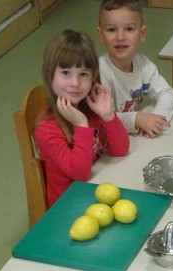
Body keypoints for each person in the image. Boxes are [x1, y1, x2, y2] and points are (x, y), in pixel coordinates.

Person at [34, 30, 130, 208]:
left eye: (83, 74)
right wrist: (81, 126)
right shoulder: (46, 130)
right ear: (49, 74)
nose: (75, 83)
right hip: (68, 206)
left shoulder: (91, 108)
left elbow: (121, 149)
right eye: (65, 72)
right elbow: (81, 174)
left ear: (93, 77)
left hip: (96, 192)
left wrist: (108, 115)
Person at [97, 0, 173, 138]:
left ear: (142, 33)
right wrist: (137, 120)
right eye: (111, 30)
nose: (120, 37)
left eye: (129, 29)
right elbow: (104, 118)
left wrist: (155, 121)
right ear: (101, 35)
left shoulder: (143, 64)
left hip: (136, 139)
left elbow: (167, 93)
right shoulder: (100, 72)